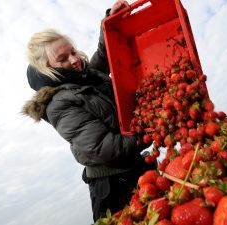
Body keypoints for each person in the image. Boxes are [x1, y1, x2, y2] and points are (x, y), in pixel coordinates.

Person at [22, 0, 153, 221]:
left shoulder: (84, 76)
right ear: (47, 71)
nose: (74, 60)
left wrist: (109, 21)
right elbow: (105, 148)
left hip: (134, 166)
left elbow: (105, 55)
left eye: (73, 52)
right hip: (114, 187)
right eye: (63, 59)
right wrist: (150, 132)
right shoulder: (59, 104)